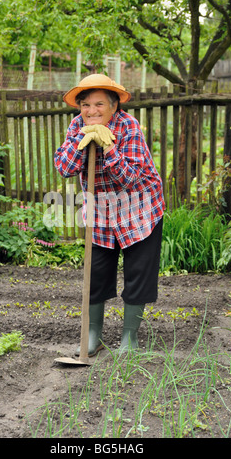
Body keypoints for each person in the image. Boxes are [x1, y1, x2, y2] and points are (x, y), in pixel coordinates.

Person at [54, 73, 165, 356]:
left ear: (114, 105)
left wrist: (108, 146)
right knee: (96, 273)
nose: (91, 111)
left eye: (99, 104)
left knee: (137, 272)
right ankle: (93, 336)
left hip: (138, 209)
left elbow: (129, 178)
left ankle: (130, 338)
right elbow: (64, 168)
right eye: (85, 105)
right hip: (101, 210)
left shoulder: (129, 127)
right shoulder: (77, 125)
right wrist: (82, 139)